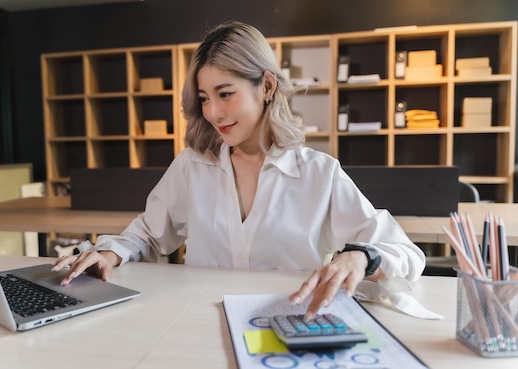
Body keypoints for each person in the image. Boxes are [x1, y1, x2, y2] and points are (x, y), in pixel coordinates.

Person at [52, 20, 425, 320]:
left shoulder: (318, 173)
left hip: (288, 324)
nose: (213, 112)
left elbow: (405, 252)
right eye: (204, 98)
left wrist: (360, 256)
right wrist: (110, 253)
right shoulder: (191, 166)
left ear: (266, 85)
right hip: (199, 322)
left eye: (225, 93)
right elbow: (148, 235)